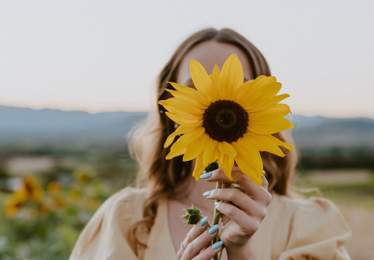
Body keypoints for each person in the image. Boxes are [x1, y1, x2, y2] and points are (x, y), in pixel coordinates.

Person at [69, 28, 351, 260]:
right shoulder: (127, 218)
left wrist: (241, 251)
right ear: (171, 106)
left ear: (259, 101)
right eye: (195, 88)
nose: (214, 96)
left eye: (236, 84)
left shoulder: (307, 225)